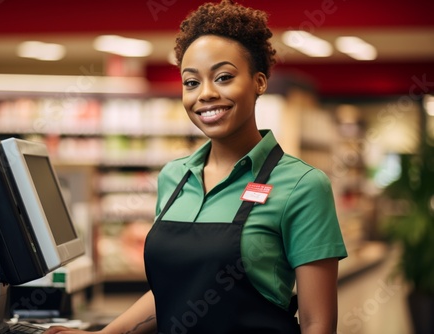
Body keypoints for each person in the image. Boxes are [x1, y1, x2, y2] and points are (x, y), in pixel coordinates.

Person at [45, 0, 347, 333]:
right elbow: (174, 292)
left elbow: (318, 323)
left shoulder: (302, 185)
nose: (205, 94)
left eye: (223, 77)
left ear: (259, 82)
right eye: (191, 82)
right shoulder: (174, 177)